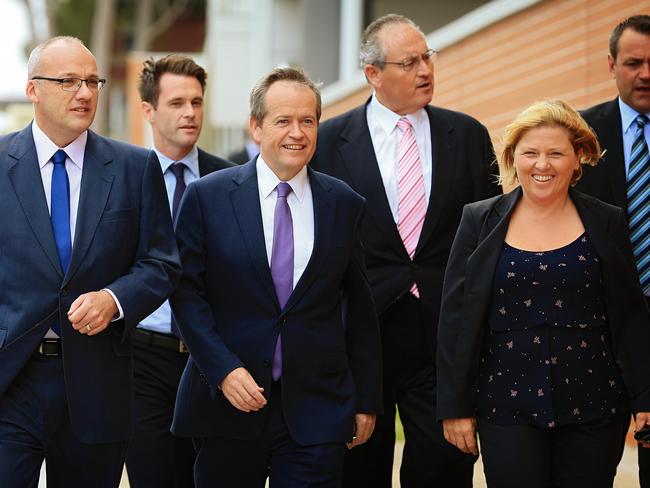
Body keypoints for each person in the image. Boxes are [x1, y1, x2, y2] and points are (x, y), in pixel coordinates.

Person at [310, 13, 500, 487]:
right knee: (357, 466)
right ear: (373, 73)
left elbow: (488, 234)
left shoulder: (468, 134)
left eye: (428, 56)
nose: (425, 70)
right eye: (410, 61)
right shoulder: (328, 141)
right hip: (361, 331)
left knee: (444, 464)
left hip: (442, 332)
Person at [170, 67, 382, 487]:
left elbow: (360, 308)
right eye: (283, 121)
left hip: (316, 409)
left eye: (308, 121)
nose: (297, 133)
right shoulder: (207, 197)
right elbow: (186, 294)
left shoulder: (344, 203)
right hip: (228, 402)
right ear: (256, 127)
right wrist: (223, 370)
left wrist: (367, 399)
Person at [438, 99, 650, 487]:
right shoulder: (478, 220)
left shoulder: (607, 219)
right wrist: (455, 407)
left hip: (594, 405)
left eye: (556, 153)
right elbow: (455, 321)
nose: (542, 164)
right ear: (513, 157)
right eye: (530, 153)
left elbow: (629, 315)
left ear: (578, 159)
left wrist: (644, 396)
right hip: (505, 407)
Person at [0, 36, 180, 487]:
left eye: (92, 82)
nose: (84, 93)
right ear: (33, 89)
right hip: (11, 379)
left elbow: (162, 262)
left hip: (97, 381)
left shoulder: (135, 167)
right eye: (68, 81)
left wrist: (114, 299)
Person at [125, 54, 233, 488]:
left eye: (196, 101)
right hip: (143, 358)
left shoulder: (230, 180)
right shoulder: (124, 177)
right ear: (148, 110)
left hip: (213, 360)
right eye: (176, 103)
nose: (190, 113)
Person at [574, 15, 650, 486]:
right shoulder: (581, 135)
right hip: (596, 326)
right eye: (633, 62)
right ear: (611, 64)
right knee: (588, 466)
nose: (645, 73)